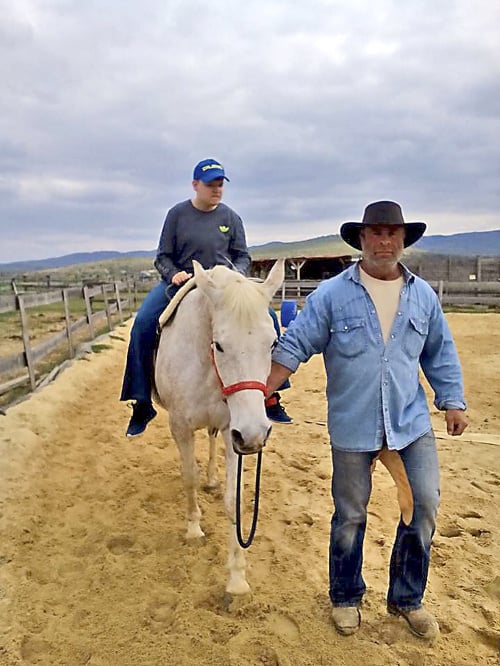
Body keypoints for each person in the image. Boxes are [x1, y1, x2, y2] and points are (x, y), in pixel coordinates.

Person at [266, 201, 468, 640]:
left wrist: (452, 400)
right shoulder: (331, 296)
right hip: (352, 422)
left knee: (425, 505)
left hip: (409, 421)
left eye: (392, 233)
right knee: (351, 513)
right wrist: (263, 387)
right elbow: (295, 345)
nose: (383, 241)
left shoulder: (422, 295)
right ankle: (345, 596)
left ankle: (407, 599)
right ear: (361, 240)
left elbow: (440, 352)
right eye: (375, 233)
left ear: (403, 241)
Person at [120, 158, 292, 437]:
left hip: (224, 286)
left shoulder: (231, 218)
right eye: (211, 184)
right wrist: (173, 273)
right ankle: (141, 402)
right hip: (184, 282)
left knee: (268, 320)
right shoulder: (177, 215)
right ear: (195, 185)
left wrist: (237, 277)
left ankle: (272, 395)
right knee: (142, 323)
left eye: (220, 184)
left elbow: (242, 255)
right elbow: (162, 256)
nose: (217, 190)